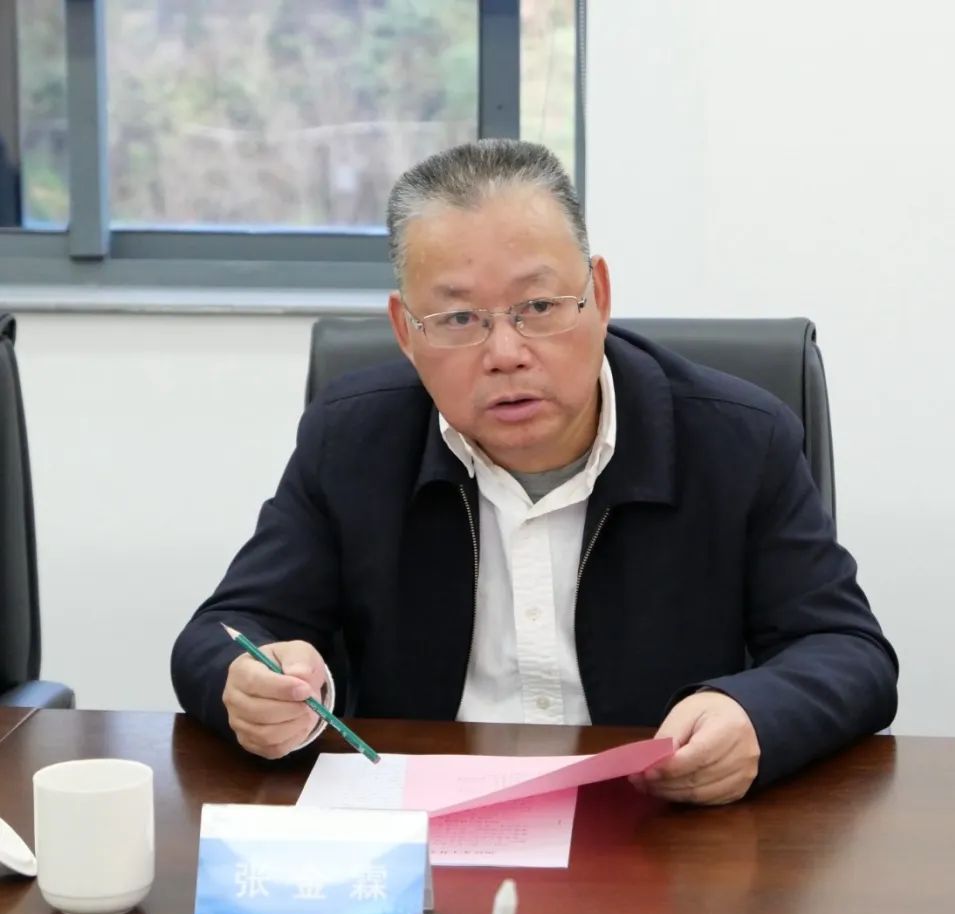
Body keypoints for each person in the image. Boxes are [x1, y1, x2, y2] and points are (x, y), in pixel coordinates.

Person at [172, 139, 897, 805]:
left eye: (540, 306)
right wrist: (253, 682)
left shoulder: (739, 437)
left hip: (658, 829)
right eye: (459, 319)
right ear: (405, 332)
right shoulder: (353, 438)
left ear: (600, 295)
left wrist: (753, 714)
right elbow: (223, 633)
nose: (506, 353)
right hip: (423, 828)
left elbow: (848, 651)